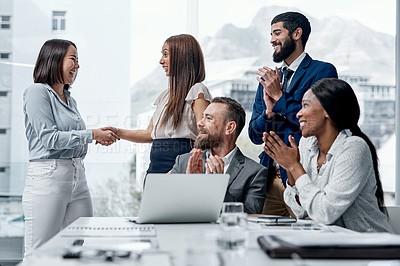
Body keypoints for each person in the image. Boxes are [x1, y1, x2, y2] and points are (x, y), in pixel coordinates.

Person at [22, 39, 118, 257]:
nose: (77, 66)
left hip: (77, 176)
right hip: (48, 176)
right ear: (54, 59)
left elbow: (70, 137)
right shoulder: (37, 92)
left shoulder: (69, 99)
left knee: (73, 250)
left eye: (78, 61)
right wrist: (92, 134)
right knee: (40, 253)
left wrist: (94, 138)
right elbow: (50, 139)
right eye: (72, 59)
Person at [263, 78, 392, 232]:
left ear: (327, 110)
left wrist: (294, 166)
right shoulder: (307, 144)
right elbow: (301, 212)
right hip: (333, 243)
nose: (298, 114)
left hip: (370, 246)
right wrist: (290, 169)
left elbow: (325, 213)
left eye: (305, 105)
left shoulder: (354, 147)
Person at [248, 11, 338, 216]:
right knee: (265, 239)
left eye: (277, 33)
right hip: (270, 178)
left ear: (297, 34)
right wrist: (268, 114)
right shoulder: (269, 80)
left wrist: (279, 97)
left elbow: (318, 122)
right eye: (270, 34)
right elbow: (253, 135)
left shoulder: (323, 72)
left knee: (307, 238)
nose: (272, 40)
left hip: (305, 176)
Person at [102, 34, 211, 173]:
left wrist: (181, 168)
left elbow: (206, 135)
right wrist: (118, 132)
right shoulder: (166, 96)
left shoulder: (197, 91)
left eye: (166, 54)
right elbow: (149, 134)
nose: (161, 61)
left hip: (180, 168)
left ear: (182, 57)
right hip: (155, 168)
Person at [170, 97, 267, 214]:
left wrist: (217, 186)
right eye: (202, 117)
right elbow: (168, 206)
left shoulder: (255, 172)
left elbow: (250, 217)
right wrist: (191, 184)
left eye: (209, 118)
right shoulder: (183, 162)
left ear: (229, 128)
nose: (200, 123)